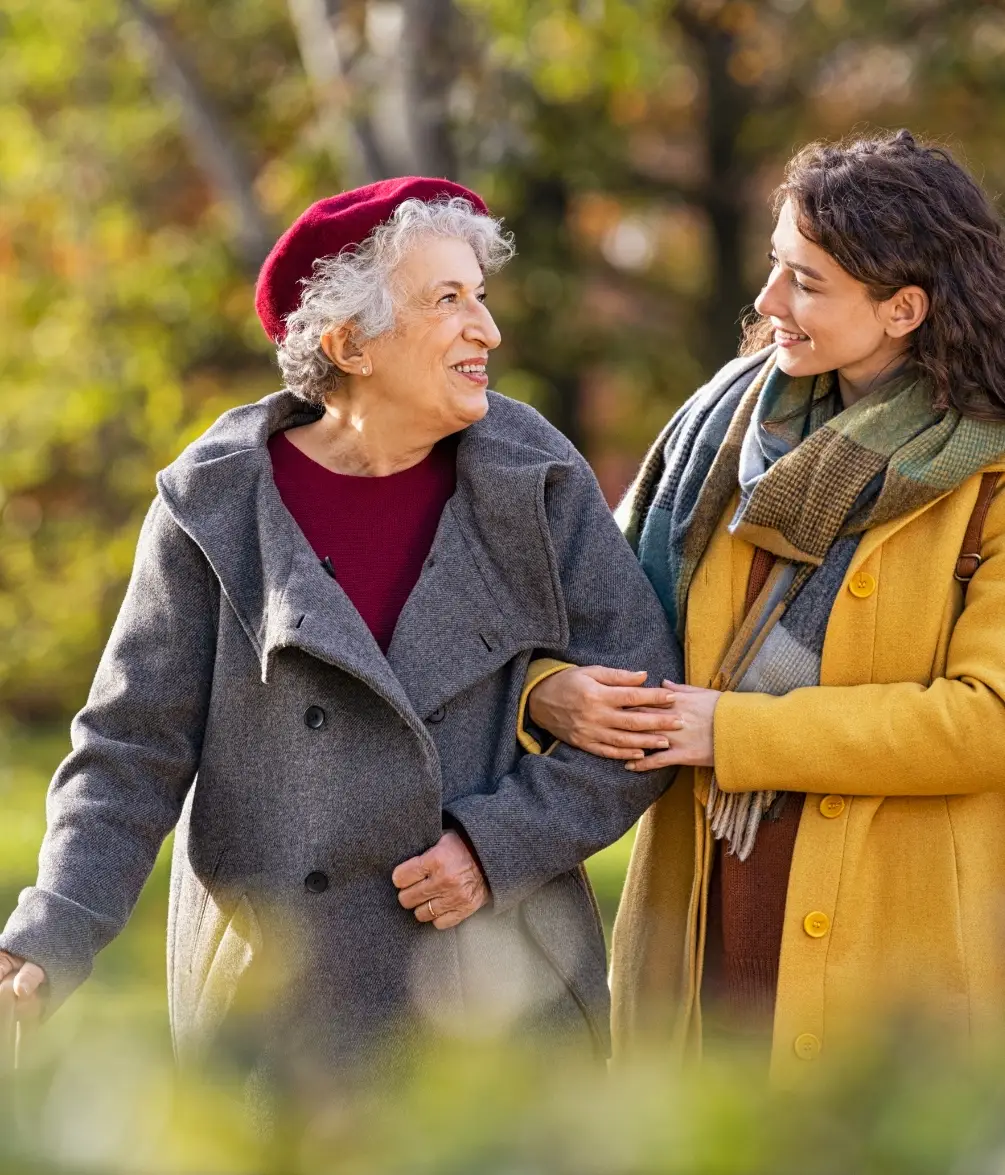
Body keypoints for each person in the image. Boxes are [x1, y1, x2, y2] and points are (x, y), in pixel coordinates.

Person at [0, 178, 681, 1098]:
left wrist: (496, 843)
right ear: (348, 342)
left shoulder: (535, 475)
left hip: (499, 1002)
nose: (487, 329)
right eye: (448, 300)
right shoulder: (215, 504)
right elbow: (130, 746)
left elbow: (641, 712)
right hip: (281, 1013)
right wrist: (50, 931)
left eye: (480, 296)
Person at [523, 131, 1005, 1082]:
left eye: (806, 281)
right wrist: (549, 687)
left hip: (891, 956)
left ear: (902, 308)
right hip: (699, 920)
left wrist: (736, 732)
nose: (767, 302)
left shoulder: (987, 479)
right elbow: (594, 614)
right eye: (774, 266)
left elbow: (986, 718)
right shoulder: (718, 438)